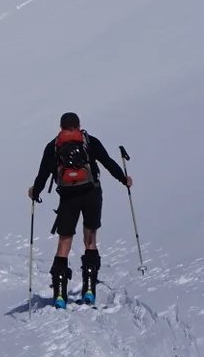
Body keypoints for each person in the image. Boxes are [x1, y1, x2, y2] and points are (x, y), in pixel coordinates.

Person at [27, 112, 130, 306]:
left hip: (68, 198)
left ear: (61, 127)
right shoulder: (89, 141)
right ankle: (89, 289)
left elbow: (42, 174)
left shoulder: (54, 146)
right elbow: (107, 162)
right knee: (90, 240)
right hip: (91, 193)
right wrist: (124, 179)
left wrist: (35, 191)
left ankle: (59, 295)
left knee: (64, 243)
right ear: (78, 124)